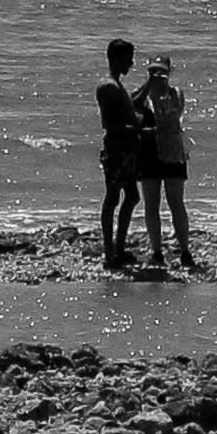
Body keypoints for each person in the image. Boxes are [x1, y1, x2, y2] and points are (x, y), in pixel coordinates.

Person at [134, 52, 204, 275]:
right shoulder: (143, 95)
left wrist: (159, 89)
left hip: (173, 152)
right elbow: (132, 104)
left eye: (161, 72)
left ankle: (184, 250)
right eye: (153, 71)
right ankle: (156, 251)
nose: (157, 75)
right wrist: (148, 86)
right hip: (149, 151)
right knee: (151, 203)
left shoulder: (175, 93)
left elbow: (170, 111)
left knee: (176, 203)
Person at [92, 37, 150, 271]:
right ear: (116, 59)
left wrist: (148, 84)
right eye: (128, 59)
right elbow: (108, 123)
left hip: (127, 149)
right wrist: (136, 129)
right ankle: (110, 253)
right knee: (113, 198)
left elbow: (131, 104)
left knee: (132, 197)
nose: (131, 64)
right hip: (116, 150)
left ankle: (118, 249)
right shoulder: (107, 87)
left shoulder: (116, 85)